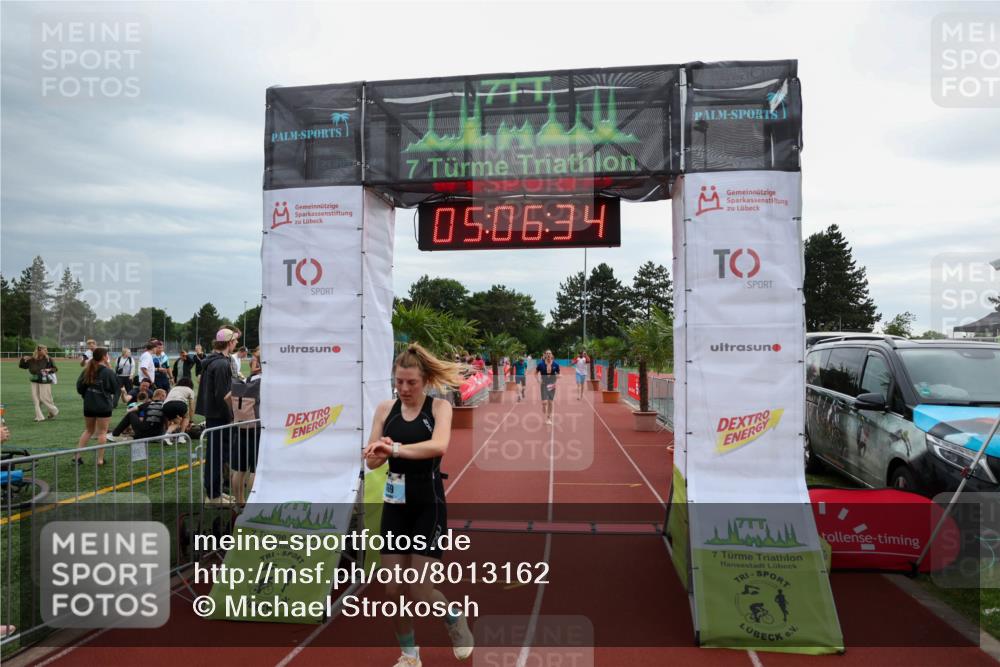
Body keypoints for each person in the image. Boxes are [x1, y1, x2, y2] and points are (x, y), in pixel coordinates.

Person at [363, 343, 474, 666]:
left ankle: (454, 618)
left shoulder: (439, 408)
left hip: (428, 504)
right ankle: (409, 654)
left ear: (424, 380)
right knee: (392, 589)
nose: (404, 388)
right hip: (395, 505)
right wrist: (378, 450)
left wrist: (394, 449)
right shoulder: (385, 409)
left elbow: (438, 446)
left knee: (421, 589)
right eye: (399, 381)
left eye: (411, 382)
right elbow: (372, 462)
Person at [196, 328, 238, 505]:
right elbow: (223, 395)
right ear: (229, 342)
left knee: (216, 455)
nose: (236, 343)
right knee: (217, 456)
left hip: (214, 414)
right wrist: (232, 415)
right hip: (220, 415)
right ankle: (213, 496)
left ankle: (215, 492)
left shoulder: (215, 361)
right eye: (235, 341)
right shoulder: (221, 364)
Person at [74, 348, 117, 465]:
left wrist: (87, 395)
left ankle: (77, 456)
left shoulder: (87, 370)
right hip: (103, 406)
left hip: (89, 404)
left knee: (88, 430)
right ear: (104, 357)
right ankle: (100, 459)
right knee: (102, 432)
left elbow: (79, 387)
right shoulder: (108, 372)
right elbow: (115, 388)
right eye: (107, 355)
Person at [19, 345, 59, 421]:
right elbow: (22, 366)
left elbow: (55, 369)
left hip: (45, 380)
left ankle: (54, 411)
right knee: (36, 399)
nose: (47, 351)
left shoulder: (48, 359)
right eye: (45, 350)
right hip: (34, 380)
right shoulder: (31, 359)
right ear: (39, 351)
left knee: (45, 398)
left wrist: (48, 370)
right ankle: (39, 417)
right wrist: (23, 359)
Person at [535, 349, 560, 425]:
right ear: (545, 355)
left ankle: (548, 418)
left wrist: (557, 376)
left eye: (550, 353)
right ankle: (543, 405)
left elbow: (558, 373)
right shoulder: (541, 364)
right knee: (544, 402)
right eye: (547, 353)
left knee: (550, 402)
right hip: (544, 384)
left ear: (551, 355)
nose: (548, 354)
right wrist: (538, 380)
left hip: (552, 384)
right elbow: (535, 373)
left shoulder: (556, 364)